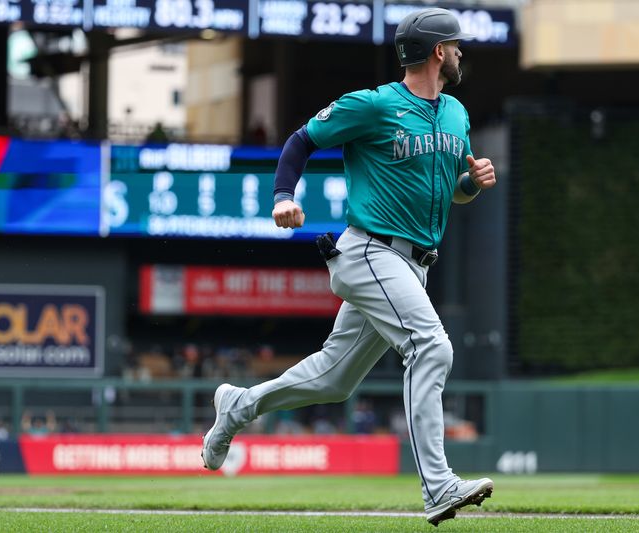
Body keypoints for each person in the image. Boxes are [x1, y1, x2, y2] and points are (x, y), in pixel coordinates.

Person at [202, 8, 497, 526]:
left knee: (333, 380)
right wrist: (281, 197)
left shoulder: (455, 113)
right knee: (431, 346)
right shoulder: (376, 104)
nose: (458, 52)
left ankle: (238, 406)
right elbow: (301, 141)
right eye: (454, 45)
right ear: (436, 52)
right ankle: (439, 487)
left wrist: (473, 182)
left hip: (413, 265)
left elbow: (456, 189)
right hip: (370, 252)